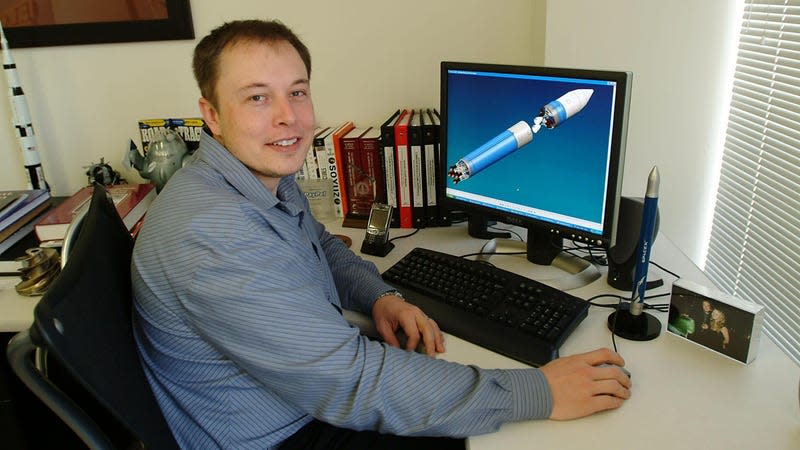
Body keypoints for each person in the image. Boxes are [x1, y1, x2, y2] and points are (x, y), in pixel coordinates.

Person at [131, 19, 632, 449]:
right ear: (212, 114)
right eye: (257, 97)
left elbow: (321, 246)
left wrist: (381, 297)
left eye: (298, 92)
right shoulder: (212, 232)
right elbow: (354, 382)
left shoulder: (253, 177)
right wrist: (539, 392)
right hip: (281, 434)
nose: (289, 116)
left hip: (295, 394)